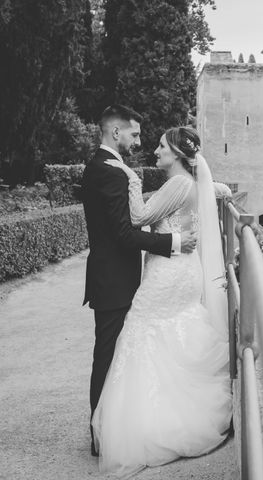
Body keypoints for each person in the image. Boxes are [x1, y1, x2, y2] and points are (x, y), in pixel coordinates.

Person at [91, 126, 233, 477]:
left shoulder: (178, 184)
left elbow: (139, 217)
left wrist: (131, 180)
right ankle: (181, 413)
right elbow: (210, 192)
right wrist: (221, 189)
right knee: (171, 336)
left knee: (142, 332)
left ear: (176, 154)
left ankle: (145, 427)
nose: (155, 151)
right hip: (185, 270)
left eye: (161, 146)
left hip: (167, 274)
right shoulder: (190, 184)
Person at [82, 105, 198, 458]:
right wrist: (173, 243)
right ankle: (100, 434)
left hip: (115, 277)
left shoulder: (105, 167)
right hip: (114, 280)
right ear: (116, 133)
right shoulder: (112, 173)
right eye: (134, 134)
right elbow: (123, 233)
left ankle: (109, 429)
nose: (141, 141)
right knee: (108, 356)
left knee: (119, 354)